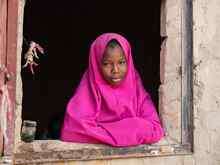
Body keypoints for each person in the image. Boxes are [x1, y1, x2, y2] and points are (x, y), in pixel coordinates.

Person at [60, 33, 164, 147]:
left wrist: (103, 131)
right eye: (107, 64)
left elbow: (155, 128)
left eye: (121, 62)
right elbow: (72, 131)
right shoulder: (89, 88)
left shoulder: (135, 85)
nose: (115, 70)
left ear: (129, 61)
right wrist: (134, 128)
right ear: (96, 64)